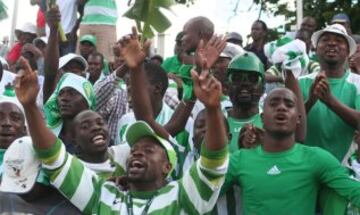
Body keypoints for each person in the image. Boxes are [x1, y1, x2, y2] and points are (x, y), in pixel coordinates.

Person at [15, 35, 229, 214]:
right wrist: (30, 107)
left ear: (168, 167)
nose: (136, 153)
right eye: (134, 150)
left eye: (148, 150)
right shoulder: (102, 195)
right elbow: (54, 158)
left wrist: (212, 109)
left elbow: (214, 163)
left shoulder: (184, 197)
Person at [221, 87, 360, 214]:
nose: (281, 108)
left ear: (298, 119)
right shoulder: (240, 159)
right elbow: (205, 193)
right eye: (274, 104)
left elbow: (354, 192)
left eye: (289, 105)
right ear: (262, 118)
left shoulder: (317, 158)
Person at [299, 24, 359, 162]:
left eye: (339, 40)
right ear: (316, 48)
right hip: (306, 168)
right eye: (325, 39)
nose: (332, 43)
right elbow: (290, 126)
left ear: (348, 51)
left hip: (345, 169)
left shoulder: (358, 83)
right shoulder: (300, 83)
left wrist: (330, 101)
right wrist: (311, 100)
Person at [44, 72, 96, 154]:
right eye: (60, 94)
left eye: (72, 93)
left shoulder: (96, 137)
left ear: (87, 101)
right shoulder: (48, 136)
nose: (64, 98)